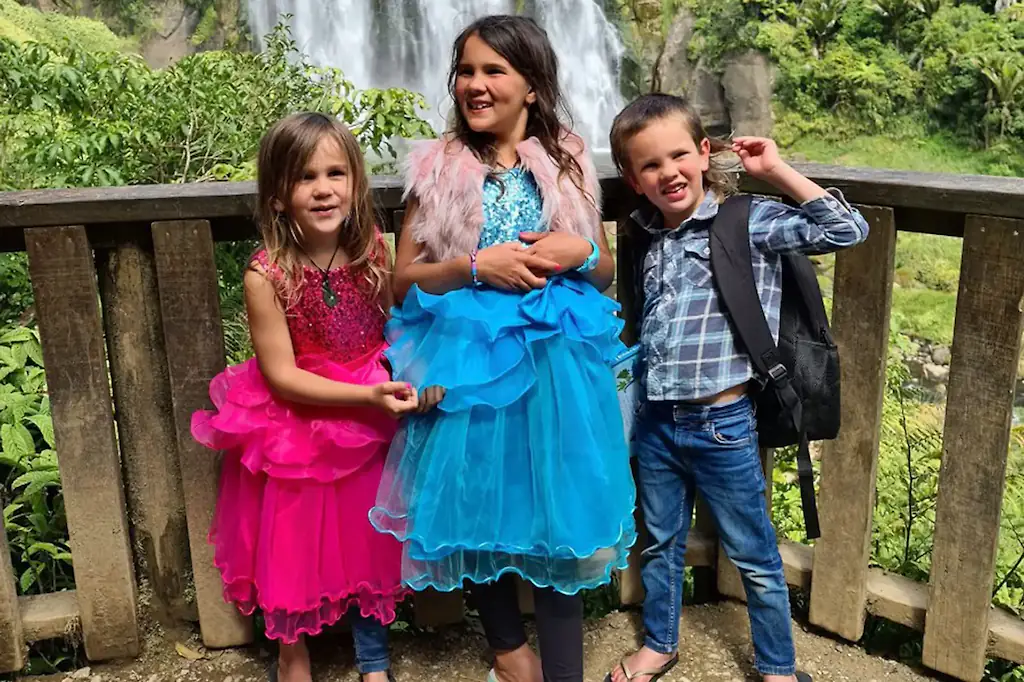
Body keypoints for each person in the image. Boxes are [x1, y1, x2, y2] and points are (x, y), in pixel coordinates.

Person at [368, 15, 637, 682]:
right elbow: (403, 282)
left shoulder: (566, 162)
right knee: (475, 505)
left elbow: (603, 270)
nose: (476, 84)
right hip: (469, 360)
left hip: (554, 364)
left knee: (558, 517)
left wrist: (581, 251)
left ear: (532, 87)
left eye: (494, 71)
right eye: (466, 71)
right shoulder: (437, 168)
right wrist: (473, 267)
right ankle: (511, 656)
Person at [604, 92, 870, 682]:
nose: (668, 172)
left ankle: (778, 667)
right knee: (660, 541)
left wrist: (775, 170)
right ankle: (660, 644)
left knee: (753, 553)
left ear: (704, 153)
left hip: (722, 424)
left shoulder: (745, 222)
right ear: (633, 178)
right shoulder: (647, 236)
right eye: (650, 165)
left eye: (679, 155)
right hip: (657, 422)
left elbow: (847, 230)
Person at [191, 112, 421, 682]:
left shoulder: (371, 252)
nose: (323, 189)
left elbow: (392, 327)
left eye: (335, 173)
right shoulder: (267, 274)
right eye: (305, 177)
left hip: (368, 418)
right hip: (299, 420)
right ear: (277, 196)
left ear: (355, 182)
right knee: (290, 542)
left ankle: (374, 661)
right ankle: (292, 654)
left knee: (370, 537)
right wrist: (364, 396)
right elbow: (282, 377)